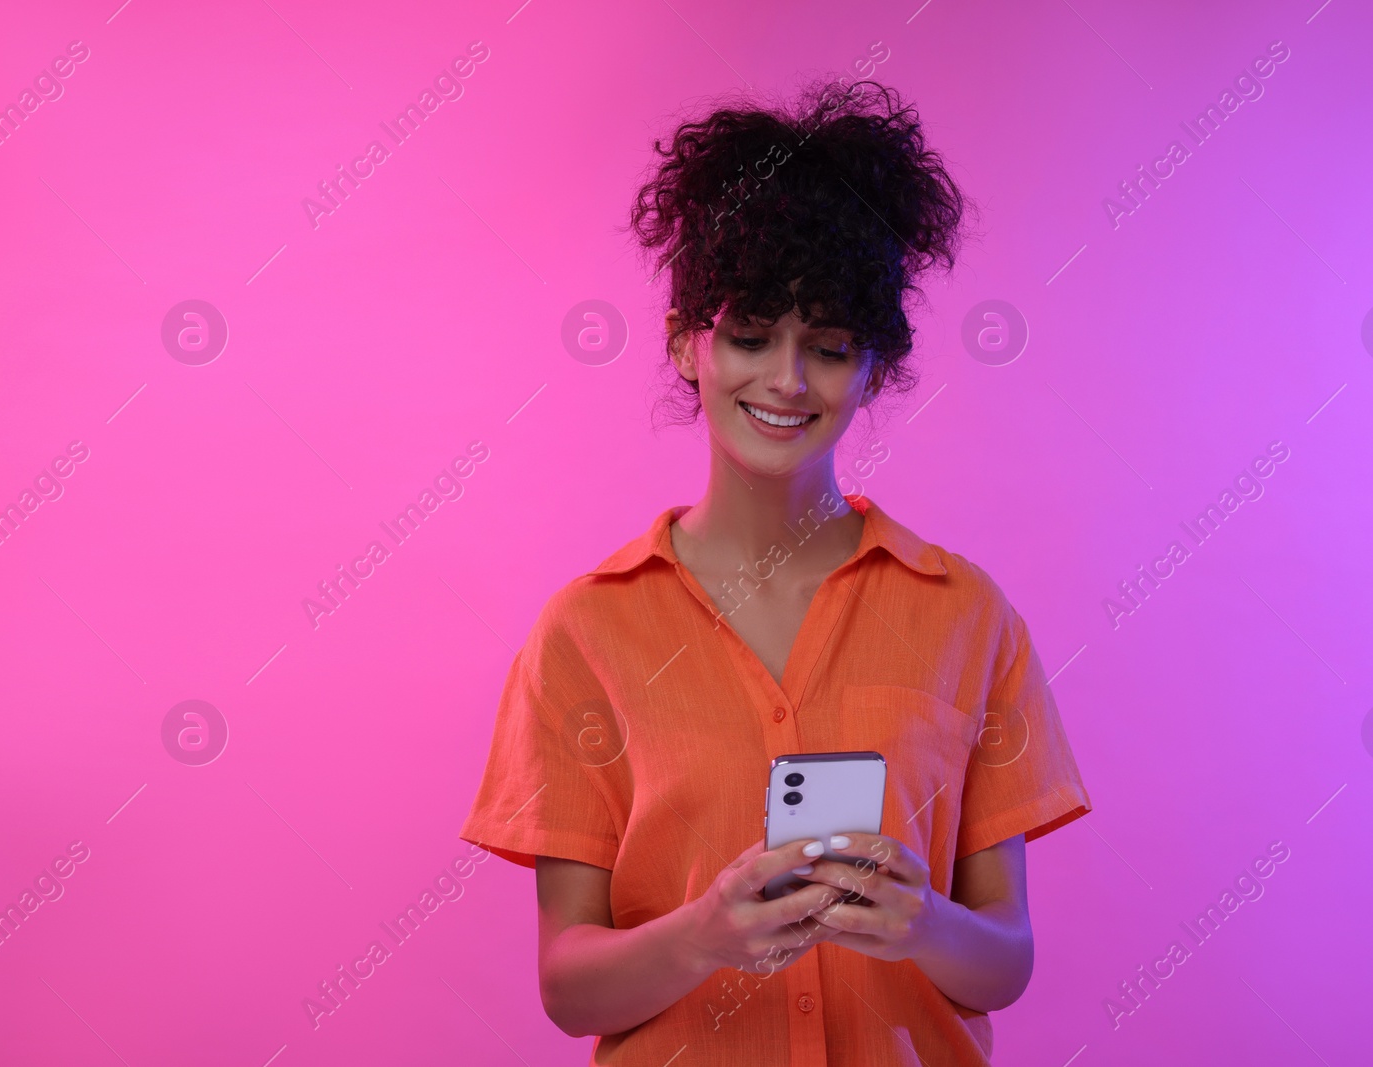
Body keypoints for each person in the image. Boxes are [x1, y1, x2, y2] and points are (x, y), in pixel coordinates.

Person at [460, 78, 1090, 1066]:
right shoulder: (584, 630)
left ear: (874, 365)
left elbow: (1003, 960)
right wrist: (702, 934)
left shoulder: (967, 616)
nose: (786, 381)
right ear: (686, 344)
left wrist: (921, 921)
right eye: (750, 336)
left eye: (829, 347)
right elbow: (568, 983)